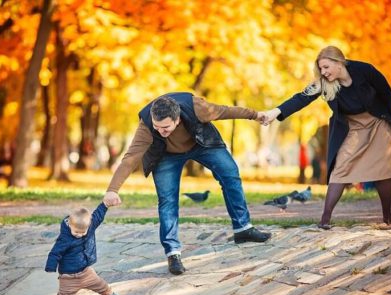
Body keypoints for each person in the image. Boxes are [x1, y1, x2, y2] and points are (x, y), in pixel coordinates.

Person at [103, 93, 271, 275]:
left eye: (165, 127)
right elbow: (130, 158)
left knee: (230, 174)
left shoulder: (196, 107)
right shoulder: (147, 125)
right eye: (157, 127)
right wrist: (112, 190)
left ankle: (243, 228)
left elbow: (225, 111)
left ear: (177, 119)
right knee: (167, 200)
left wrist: (255, 115)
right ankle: (173, 253)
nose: (161, 131)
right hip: (166, 155)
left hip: (201, 143)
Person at [259, 46, 391, 229]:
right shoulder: (324, 83)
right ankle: (325, 219)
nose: (323, 72)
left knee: (383, 169)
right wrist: (275, 113)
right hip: (353, 126)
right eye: (321, 68)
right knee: (340, 168)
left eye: (326, 67)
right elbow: (300, 99)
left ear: (339, 63)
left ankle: (388, 216)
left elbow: (386, 92)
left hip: (377, 121)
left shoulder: (364, 70)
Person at [45, 202, 122, 295]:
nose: (79, 235)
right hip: (68, 277)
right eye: (76, 232)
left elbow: (98, 216)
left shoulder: (90, 225)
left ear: (88, 225)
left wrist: (105, 204)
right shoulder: (65, 238)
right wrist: (51, 266)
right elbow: (55, 253)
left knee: (101, 285)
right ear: (69, 224)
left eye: (83, 232)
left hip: (86, 272)